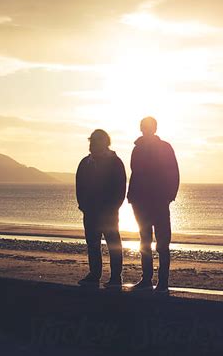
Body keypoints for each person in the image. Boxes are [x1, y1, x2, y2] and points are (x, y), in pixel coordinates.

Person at [127, 116, 179, 294]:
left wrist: (169, 196)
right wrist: (132, 196)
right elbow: (135, 173)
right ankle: (147, 278)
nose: (145, 129)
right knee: (144, 240)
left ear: (154, 128)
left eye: (148, 126)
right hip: (140, 201)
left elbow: (173, 172)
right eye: (143, 126)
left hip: (159, 201)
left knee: (163, 242)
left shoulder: (165, 148)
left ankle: (163, 281)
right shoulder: (137, 148)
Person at [76, 129, 126, 289]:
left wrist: (113, 208)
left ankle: (116, 277)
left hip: (108, 213)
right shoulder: (85, 162)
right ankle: (94, 274)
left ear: (104, 142)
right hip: (90, 211)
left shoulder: (115, 162)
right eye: (91, 141)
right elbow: (79, 186)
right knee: (92, 244)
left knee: (113, 244)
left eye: (95, 141)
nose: (91, 145)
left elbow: (120, 188)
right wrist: (83, 205)